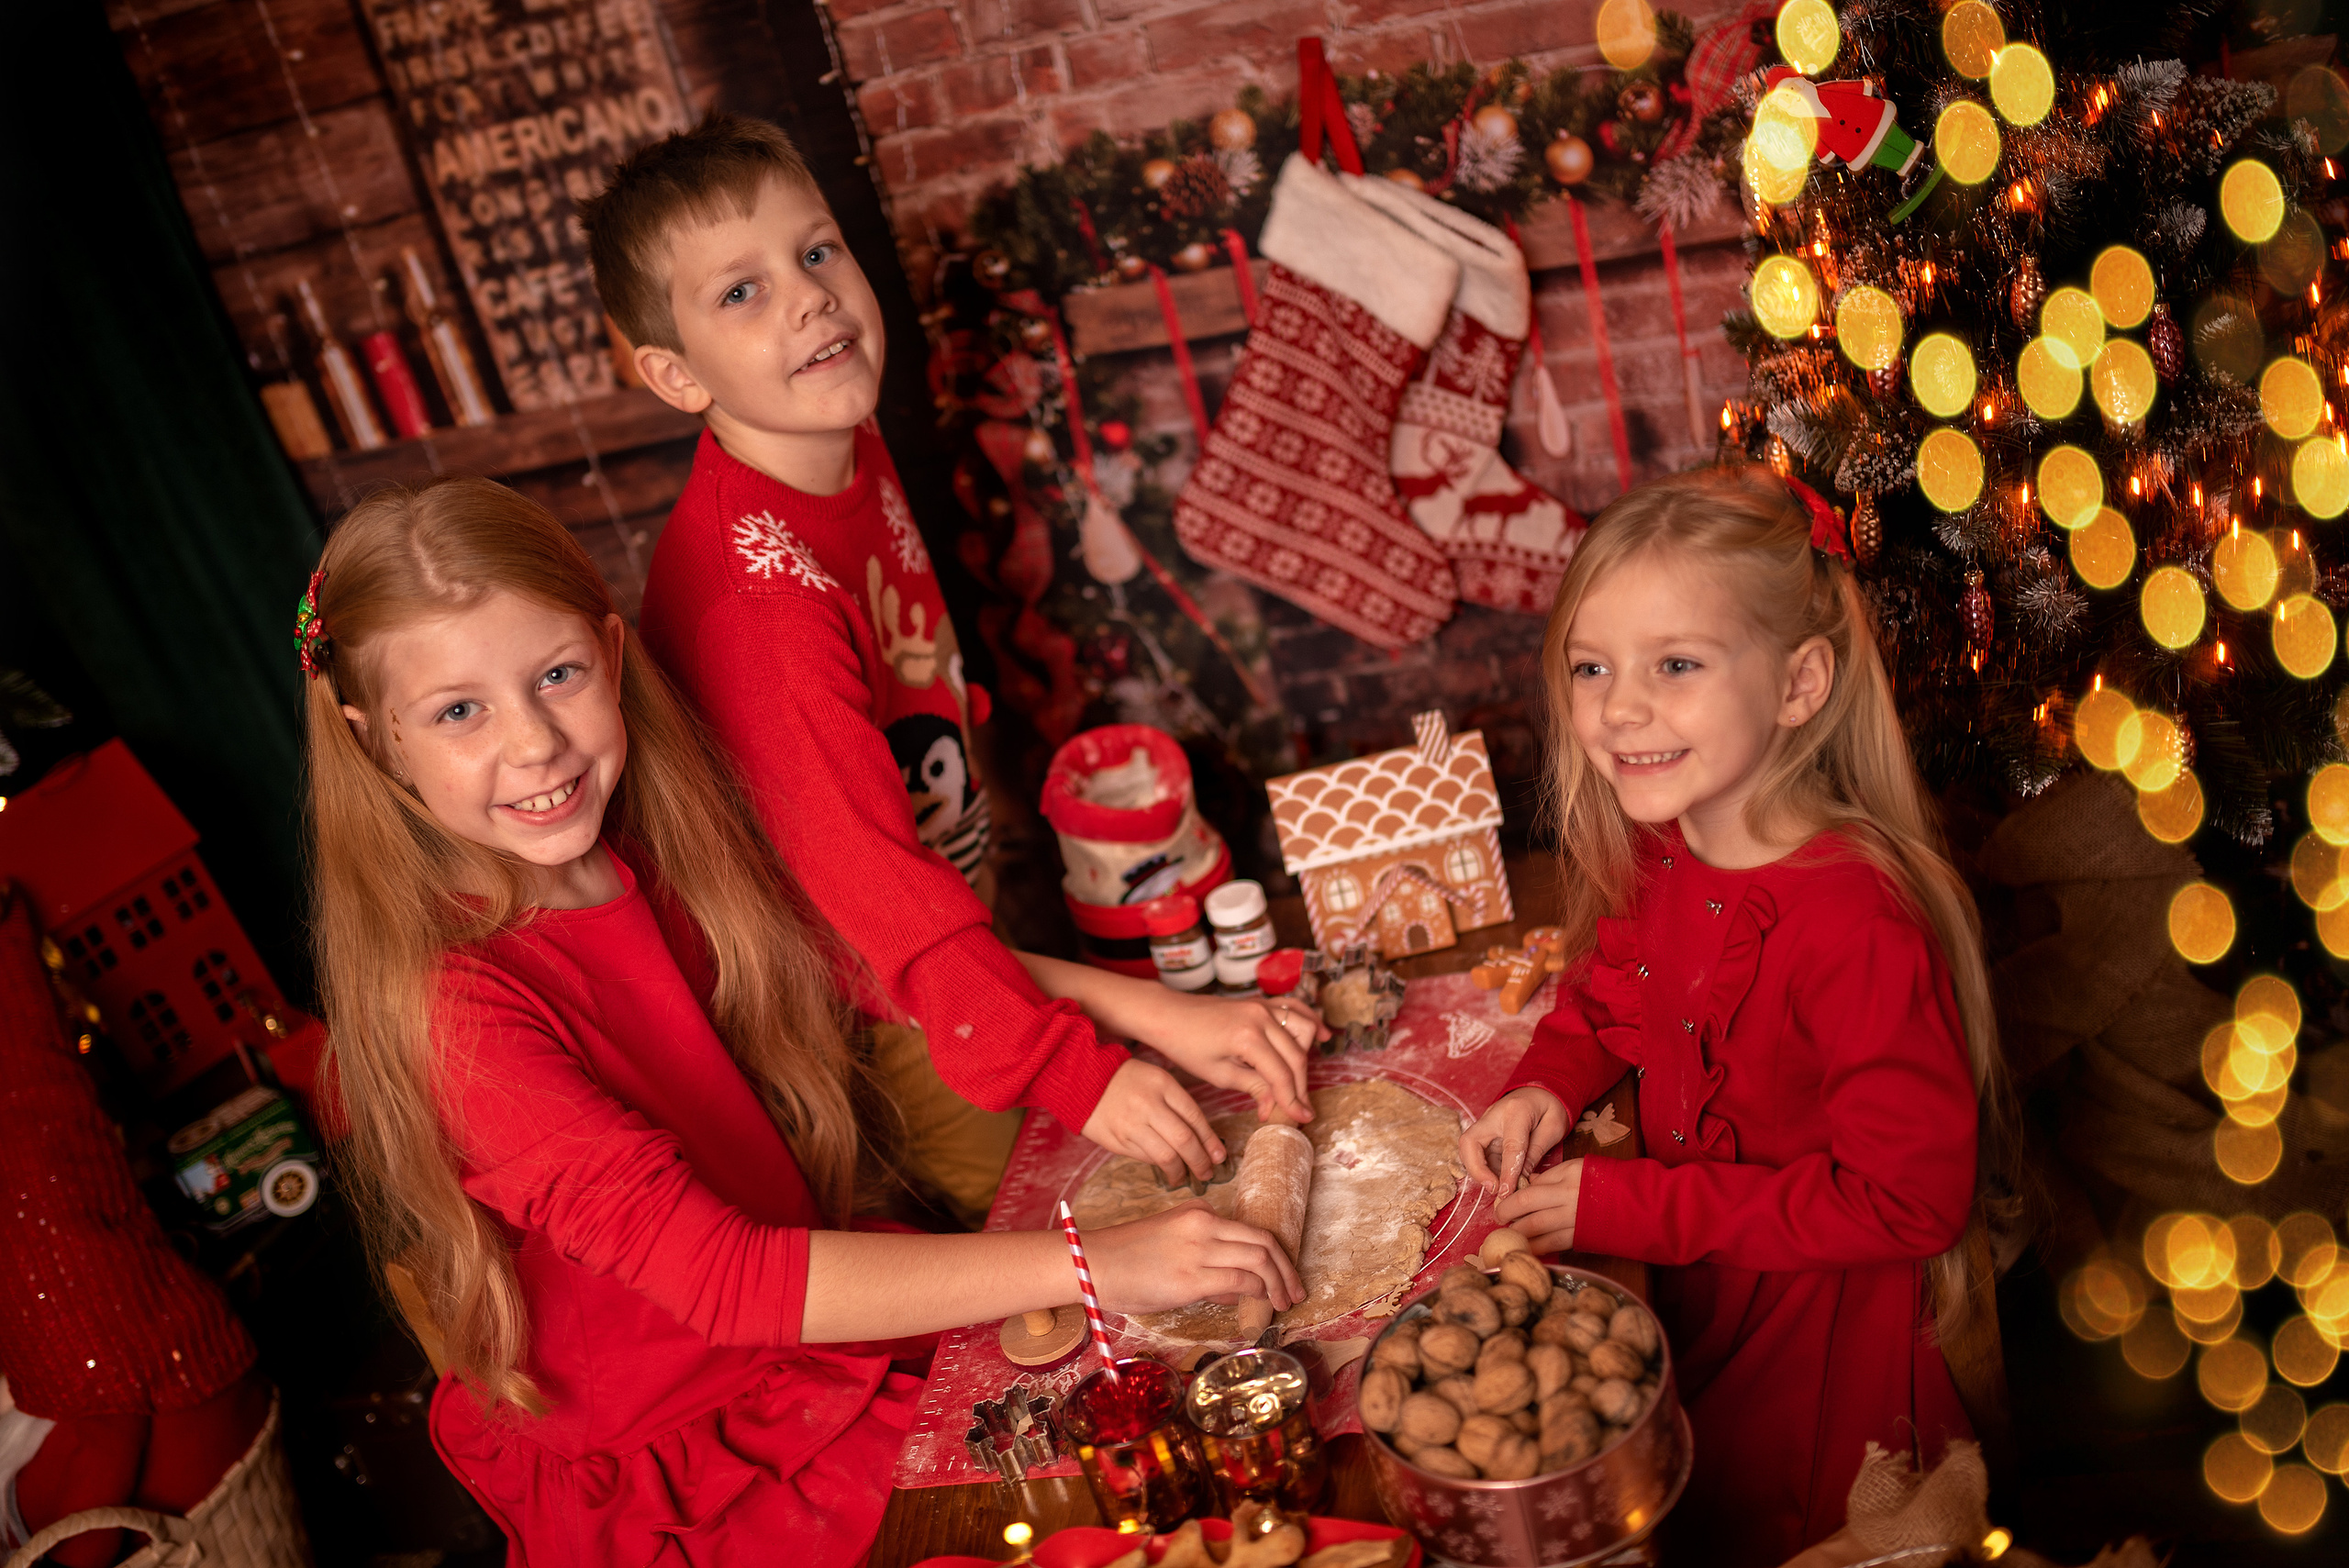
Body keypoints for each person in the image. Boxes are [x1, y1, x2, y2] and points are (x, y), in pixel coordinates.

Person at [299, 479, 1304, 1563]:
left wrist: (1153, 1009)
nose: (535, 741)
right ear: (377, 744)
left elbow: (870, 959)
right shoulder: (453, 1008)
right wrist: (1093, 1259)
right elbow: (726, 1279)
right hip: (705, 1454)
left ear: (612, 654)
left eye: (555, 675)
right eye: (458, 711)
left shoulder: (646, 846)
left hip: (820, 1324)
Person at [584, 112, 1319, 1222]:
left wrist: (1138, 1013)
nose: (808, 297)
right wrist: (1081, 1061)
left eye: (816, 251)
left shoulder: (838, 437)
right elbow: (869, 903)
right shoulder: (757, 607)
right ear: (674, 373)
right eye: (740, 291)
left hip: (947, 948)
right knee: (1070, 1224)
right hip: (880, 1009)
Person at [1457, 466, 2001, 1566]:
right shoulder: (1665, 848)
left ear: (1798, 683)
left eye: (1676, 664)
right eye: (1592, 667)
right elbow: (1610, 997)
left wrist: (1628, 1203)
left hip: (1814, 1354)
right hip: (1695, 1295)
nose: (1619, 707)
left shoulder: (1856, 925)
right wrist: (1544, 1082)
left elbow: (1907, 1201)